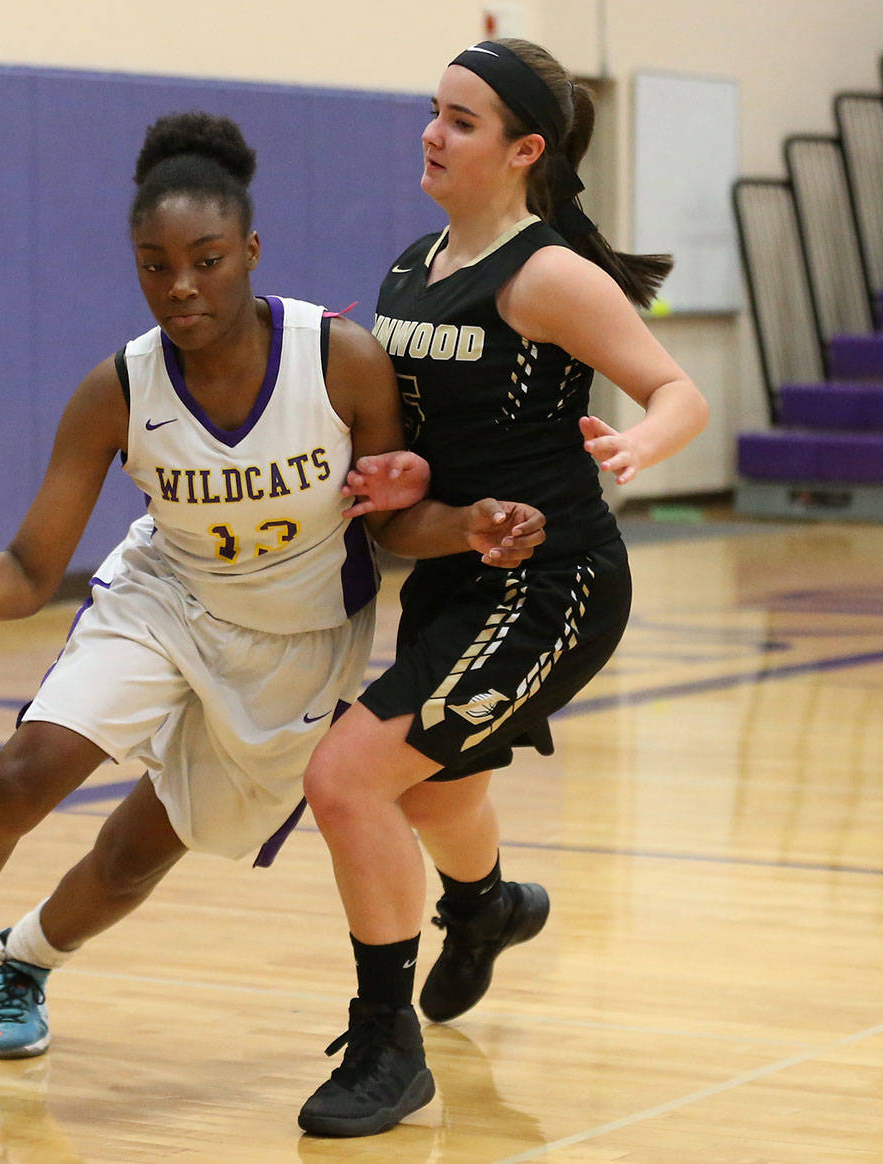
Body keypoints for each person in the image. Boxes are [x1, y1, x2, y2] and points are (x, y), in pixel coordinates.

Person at [0, 111, 546, 1060]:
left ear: (251, 251)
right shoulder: (120, 390)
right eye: (154, 263)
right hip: (164, 601)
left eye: (207, 259)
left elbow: (389, 521)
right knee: (23, 774)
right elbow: (27, 569)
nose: (180, 286)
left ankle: (26, 959)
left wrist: (468, 526)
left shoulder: (339, 361)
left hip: (298, 641)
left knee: (135, 860)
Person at [296, 39, 711, 1138]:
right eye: (433, 111)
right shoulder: (404, 269)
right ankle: (484, 906)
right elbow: (428, 439)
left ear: (523, 150)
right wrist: (394, 470)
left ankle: (388, 1045)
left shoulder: (545, 276)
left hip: (550, 583)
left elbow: (675, 391)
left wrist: (636, 451)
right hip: (451, 569)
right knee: (429, 791)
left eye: (461, 120)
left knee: (346, 780)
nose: (432, 133)